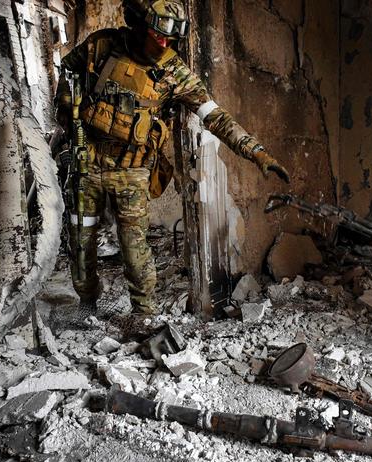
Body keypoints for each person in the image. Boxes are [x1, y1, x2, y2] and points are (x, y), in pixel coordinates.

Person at [54, 0, 289, 317]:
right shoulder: (104, 45)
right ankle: (87, 303)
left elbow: (215, 116)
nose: (164, 44)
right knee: (81, 242)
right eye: (158, 36)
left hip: (132, 171)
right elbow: (68, 69)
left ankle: (144, 314)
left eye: (170, 39)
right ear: (141, 27)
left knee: (134, 249)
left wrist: (256, 152)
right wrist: (70, 114)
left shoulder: (174, 72)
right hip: (88, 163)